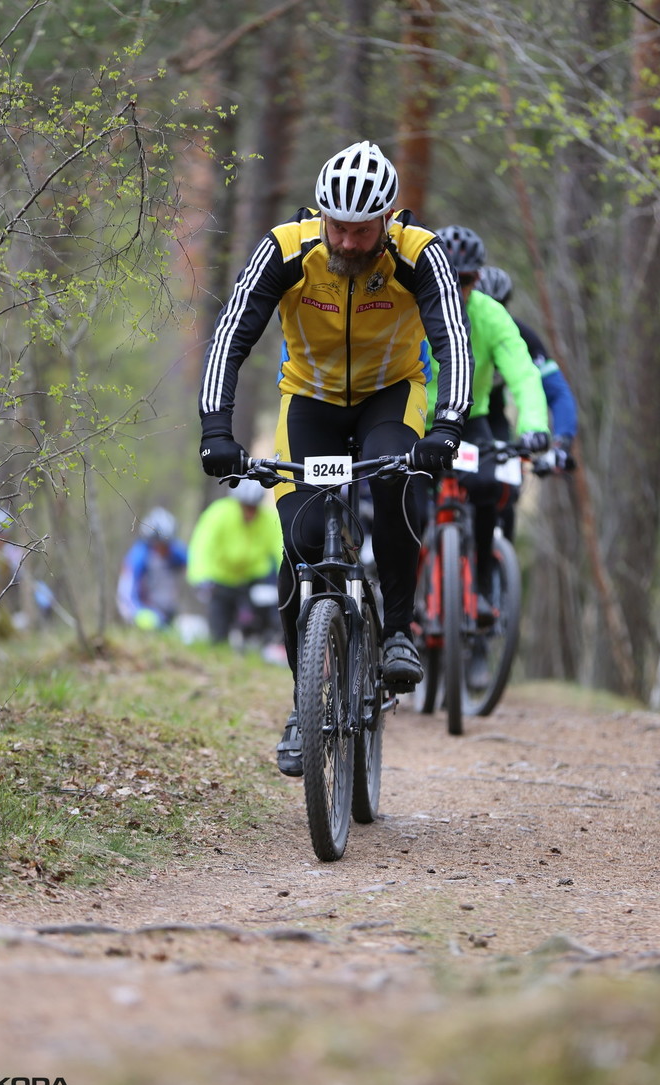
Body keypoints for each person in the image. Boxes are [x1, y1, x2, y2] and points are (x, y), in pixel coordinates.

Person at [197, 140, 473, 775]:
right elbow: (231, 334)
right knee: (301, 540)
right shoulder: (285, 250)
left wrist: (448, 424)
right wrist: (217, 430)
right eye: (338, 228)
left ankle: (398, 629)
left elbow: (451, 339)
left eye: (363, 229)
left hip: (391, 396)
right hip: (311, 404)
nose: (349, 243)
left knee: (398, 481)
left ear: (388, 220)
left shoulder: (418, 255)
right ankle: (304, 703)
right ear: (321, 216)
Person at [424, 225, 551, 598]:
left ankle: (480, 582)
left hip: (466, 419)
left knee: (486, 485)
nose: (458, 290)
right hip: (413, 419)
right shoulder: (412, 304)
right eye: (449, 278)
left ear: (477, 278)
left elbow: (524, 374)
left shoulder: (491, 315)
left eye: (465, 281)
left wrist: (533, 425)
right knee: (404, 501)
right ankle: (400, 596)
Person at [477, 264, 578, 540]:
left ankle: (493, 571)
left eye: (499, 306)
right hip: (450, 417)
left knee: (506, 494)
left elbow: (557, 392)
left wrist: (561, 444)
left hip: (492, 420)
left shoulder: (520, 335)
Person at [186, 479, 284, 649]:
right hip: (220, 579)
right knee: (219, 632)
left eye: (254, 507)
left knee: (266, 611)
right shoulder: (218, 513)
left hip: (252, 578)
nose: (250, 512)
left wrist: (287, 575)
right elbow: (201, 546)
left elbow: (280, 548)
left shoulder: (268, 520)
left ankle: (264, 646)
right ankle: (220, 654)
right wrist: (201, 576)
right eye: (246, 506)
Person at [116, 507, 187, 630]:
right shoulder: (138, 556)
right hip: (144, 613)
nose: (166, 549)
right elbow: (125, 594)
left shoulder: (174, 552)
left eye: (168, 544)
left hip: (169, 612)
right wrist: (139, 614)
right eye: (162, 545)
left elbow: (193, 563)